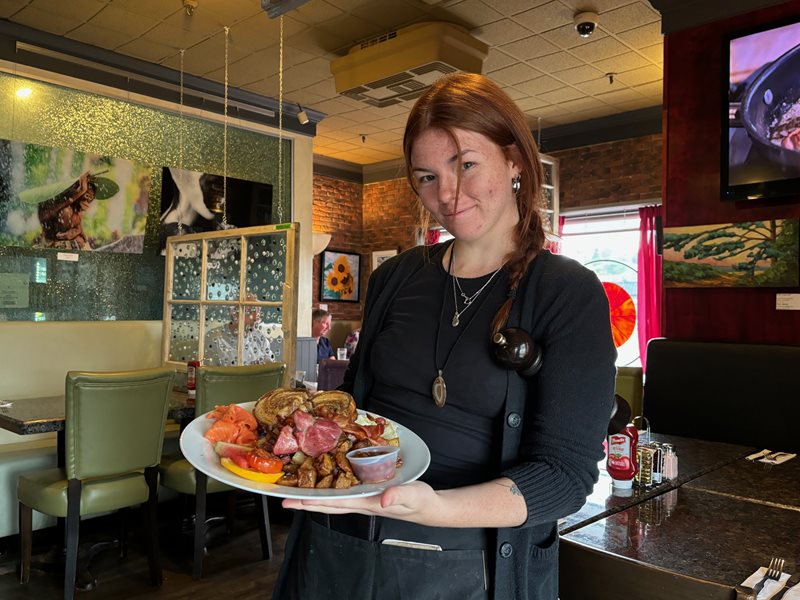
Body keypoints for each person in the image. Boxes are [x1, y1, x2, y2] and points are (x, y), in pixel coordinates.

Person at [273, 73, 616, 600]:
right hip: (338, 543)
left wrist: (437, 508)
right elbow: (358, 415)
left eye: (466, 165)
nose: (448, 194)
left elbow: (564, 476)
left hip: (466, 565)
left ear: (515, 161)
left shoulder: (566, 292)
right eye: (427, 177)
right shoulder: (397, 277)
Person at [35, 171, 97, 250]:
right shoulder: (62, 202)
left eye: (90, 198)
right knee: (66, 211)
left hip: (67, 246)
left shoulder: (76, 212)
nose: (87, 201)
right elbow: (45, 216)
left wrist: (78, 231)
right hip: (52, 243)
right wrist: (80, 191)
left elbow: (79, 229)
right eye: (86, 195)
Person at [205, 297, 273, 366]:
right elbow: (208, 373)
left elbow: (272, 365)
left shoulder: (259, 337)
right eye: (250, 312)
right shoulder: (214, 338)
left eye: (258, 313)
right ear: (234, 314)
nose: (256, 318)